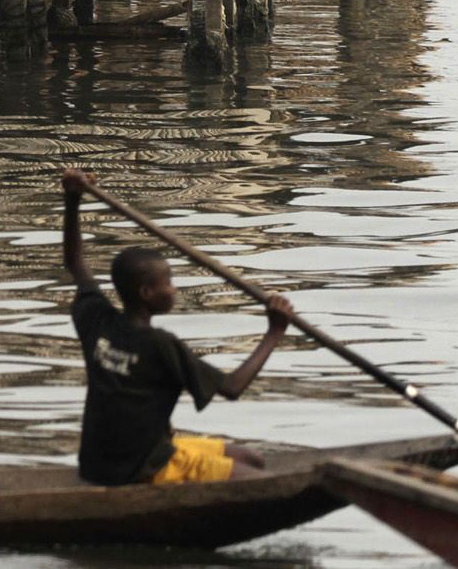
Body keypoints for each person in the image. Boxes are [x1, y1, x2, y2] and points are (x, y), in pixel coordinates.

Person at [60, 168, 293, 486]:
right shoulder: (158, 344)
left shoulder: (96, 320)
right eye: (167, 283)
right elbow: (232, 388)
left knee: (253, 458)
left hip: (98, 463)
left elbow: (75, 263)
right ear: (146, 294)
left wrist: (72, 200)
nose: (174, 289)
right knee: (256, 480)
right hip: (143, 468)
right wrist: (274, 332)